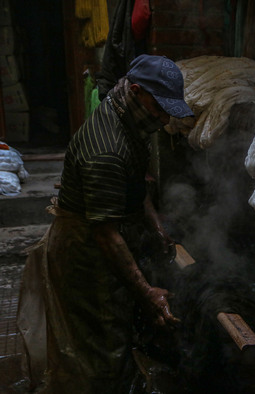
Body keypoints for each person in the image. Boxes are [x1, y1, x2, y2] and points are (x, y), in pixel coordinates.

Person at [18, 54, 194, 393]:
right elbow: (105, 233)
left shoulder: (124, 110)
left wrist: (155, 225)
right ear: (137, 90)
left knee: (113, 334)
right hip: (86, 250)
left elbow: (134, 181)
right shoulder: (107, 150)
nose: (162, 118)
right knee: (101, 346)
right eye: (159, 108)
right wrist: (148, 293)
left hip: (103, 232)